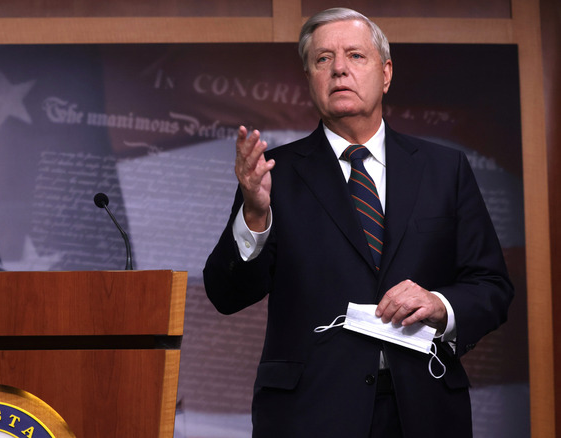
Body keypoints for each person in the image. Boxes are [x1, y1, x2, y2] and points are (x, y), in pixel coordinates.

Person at [203, 7, 514, 438]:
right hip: (309, 415)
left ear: (385, 73)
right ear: (309, 78)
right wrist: (254, 214)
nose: (339, 69)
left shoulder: (445, 169)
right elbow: (226, 294)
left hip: (425, 410)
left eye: (355, 55)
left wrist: (440, 304)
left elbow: (492, 287)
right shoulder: (274, 175)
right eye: (323, 59)